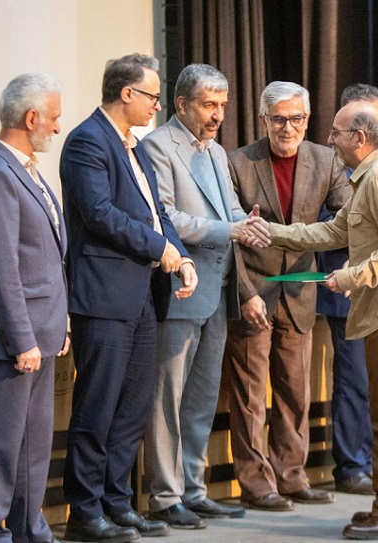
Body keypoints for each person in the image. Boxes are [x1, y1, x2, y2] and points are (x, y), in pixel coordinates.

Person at [264, 101, 378, 540]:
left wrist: (348, 277)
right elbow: (332, 232)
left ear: (359, 138)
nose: (330, 140)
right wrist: (271, 231)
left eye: (337, 133)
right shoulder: (366, 177)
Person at [60, 53, 197, 542]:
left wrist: (181, 256)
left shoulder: (134, 146)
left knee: (132, 407)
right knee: (97, 407)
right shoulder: (86, 141)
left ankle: (116, 504)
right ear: (126, 93)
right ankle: (84, 512)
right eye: (153, 96)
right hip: (103, 296)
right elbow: (99, 213)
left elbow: (157, 213)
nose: (157, 105)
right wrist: (159, 248)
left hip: (142, 294)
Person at [142, 64, 267, 529]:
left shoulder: (215, 151)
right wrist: (228, 229)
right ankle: (164, 495)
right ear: (181, 104)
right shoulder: (158, 146)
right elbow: (164, 217)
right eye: (208, 105)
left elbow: (229, 210)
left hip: (217, 289)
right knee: (167, 399)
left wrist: (248, 224)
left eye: (222, 106)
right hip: (180, 288)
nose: (218, 115)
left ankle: (193, 490)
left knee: (200, 398)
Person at [226, 81, 349, 511]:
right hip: (254, 294)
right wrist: (245, 293)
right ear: (264, 119)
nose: (287, 127)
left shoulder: (326, 159)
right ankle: (256, 484)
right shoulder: (238, 162)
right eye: (278, 119)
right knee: (250, 397)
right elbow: (229, 239)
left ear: (308, 119)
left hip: (299, 290)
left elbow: (349, 216)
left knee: (295, 393)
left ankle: (292, 477)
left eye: (296, 118)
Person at [0, 73, 70, 543]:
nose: (58, 126)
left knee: (33, 447)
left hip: (43, 332)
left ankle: (30, 531)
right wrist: (22, 339)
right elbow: (0, 267)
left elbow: (45, 257)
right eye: (54, 117)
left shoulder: (25, 169)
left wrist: (58, 324)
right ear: (31, 118)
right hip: (17, 340)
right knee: (1, 448)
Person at [319, 83, 378, 496]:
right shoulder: (332, 166)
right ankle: (350, 465)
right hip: (344, 288)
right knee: (354, 379)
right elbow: (329, 227)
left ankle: (375, 459)